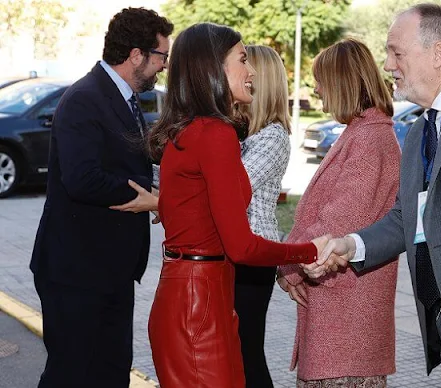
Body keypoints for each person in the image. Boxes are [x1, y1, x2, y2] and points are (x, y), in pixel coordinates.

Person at [306, 4, 441, 387]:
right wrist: (349, 245)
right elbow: (407, 217)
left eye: (396, 53)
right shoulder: (420, 130)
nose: (387, 65)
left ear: (437, 53)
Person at [146, 23, 325, 388]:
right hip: (200, 302)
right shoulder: (214, 134)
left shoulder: (190, 130)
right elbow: (241, 246)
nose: (252, 71)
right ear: (214, 68)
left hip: (195, 294)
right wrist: (309, 251)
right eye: (243, 60)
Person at [29, 8, 172, 388]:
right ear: (137, 54)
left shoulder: (121, 97)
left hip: (109, 271)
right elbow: (81, 179)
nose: (163, 67)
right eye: (162, 57)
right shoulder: (84, 98)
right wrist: (147, 196)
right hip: (77, 273)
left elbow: (129, 164)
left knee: (109, 374)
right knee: (71, 375)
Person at [277, 38, 400, 388]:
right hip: (341, 316)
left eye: (321, 79)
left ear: (342, 81)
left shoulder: (370, 139)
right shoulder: (361, 132)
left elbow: (335, 222)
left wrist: (287, 266)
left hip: (348, 326)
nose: (315, 88)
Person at [233, 45, 292, 388]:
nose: (243, 75)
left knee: (247, 354)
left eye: (246, 68)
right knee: (238, 352)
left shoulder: (272, 137)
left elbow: (231, 187)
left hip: (253, 260)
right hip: (242, 256)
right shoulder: (249, 134)